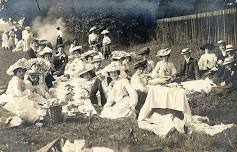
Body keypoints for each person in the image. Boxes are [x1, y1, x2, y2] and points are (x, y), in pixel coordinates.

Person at [0, 58, 45, 124]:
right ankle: (37, 117)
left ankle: (41, 114)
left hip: (19, 97)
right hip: (14, 98)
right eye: (19, 71)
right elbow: (18, 93)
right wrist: (27, 92)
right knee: (29, 106)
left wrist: (30, 91)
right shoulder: (16, 80)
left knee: (35, 100)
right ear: (15, 72)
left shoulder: (20, 79)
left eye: (23, 71)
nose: (22, 73)